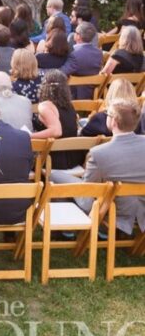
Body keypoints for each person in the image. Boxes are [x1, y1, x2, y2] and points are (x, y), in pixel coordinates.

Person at [70, 99, 145, 236]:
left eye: (107, 114)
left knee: (56, 177)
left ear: (114, 121)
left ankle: (67, 230)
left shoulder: (99, 153)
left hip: (114, 209)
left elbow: (88, 191)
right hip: (141, 208)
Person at [32, 70, 82, 180]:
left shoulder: (45, 105)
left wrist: (30, 136)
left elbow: (56, 131)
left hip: (53, 159)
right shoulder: (69, 106)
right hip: (73, 158)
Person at [60, 22, 102, 99]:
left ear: (78, 36)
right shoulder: (99, 53)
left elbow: (62, 72)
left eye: (75, 32)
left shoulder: (75, 55)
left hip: (75, 96)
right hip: (92, 94)